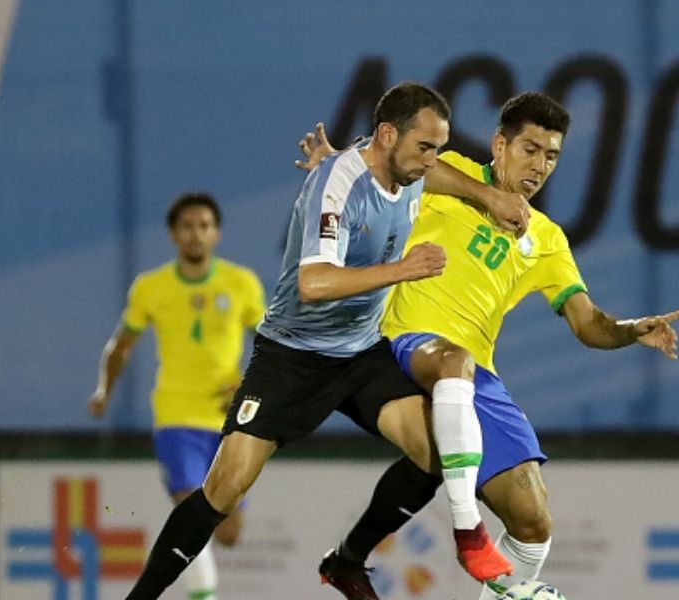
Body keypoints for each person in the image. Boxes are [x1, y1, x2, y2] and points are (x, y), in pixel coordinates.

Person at [124, 81, 532, 600]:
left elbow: (433, 179)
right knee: (223, 492)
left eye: (438, 148)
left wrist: (488, 195)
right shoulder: (336, 184)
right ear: (388, 135)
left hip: (361, 352)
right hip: (293, 357)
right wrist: (402, 269)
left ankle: (346, 560)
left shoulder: (404, 164)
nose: (432, 161)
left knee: (435, 453)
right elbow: (312, 284)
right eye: (425, 147)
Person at [298, 92, 679, 600]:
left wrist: (630, 329)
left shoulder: (546, 239)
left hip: (475, 373)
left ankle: (391, 565)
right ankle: (467, 531)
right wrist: (482, 195)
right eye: (529, 149)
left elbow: (587, 323)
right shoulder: (452, 172)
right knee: (446, 390)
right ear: (499, 146)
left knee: (532, 519)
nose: (539, 165)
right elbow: (398, 165)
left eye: (551, 156)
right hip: (404, 342)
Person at [88, 192, 265, 600]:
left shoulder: (241, 283)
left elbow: (271, 345)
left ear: (216, 233)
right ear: (172, 235)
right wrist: (103, 392)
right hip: (176, 413)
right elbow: (121, 347)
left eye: (204, 226)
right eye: (187, 226)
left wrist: (249, 386)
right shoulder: (151, 287)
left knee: (228, 533)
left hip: (229, 418)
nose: (196, 234)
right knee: (191, 509)